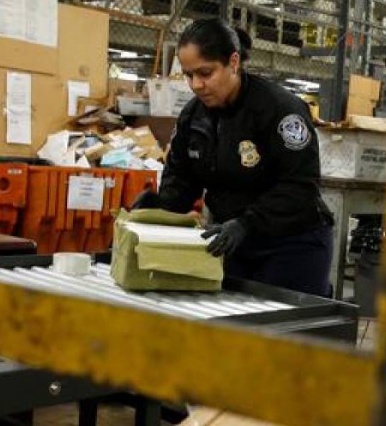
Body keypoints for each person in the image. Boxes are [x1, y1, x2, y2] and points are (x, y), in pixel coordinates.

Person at [133, 18, 334, 296]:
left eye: (206, 73)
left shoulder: (279, 110)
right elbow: (182, 179)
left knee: (284, 332)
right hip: (232, 242)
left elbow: (300, 187)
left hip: (292, 244)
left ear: (234, 62)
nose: (197, 85)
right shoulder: (193, 117)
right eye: (189, 75)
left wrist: (247, 223)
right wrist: (159, 205)